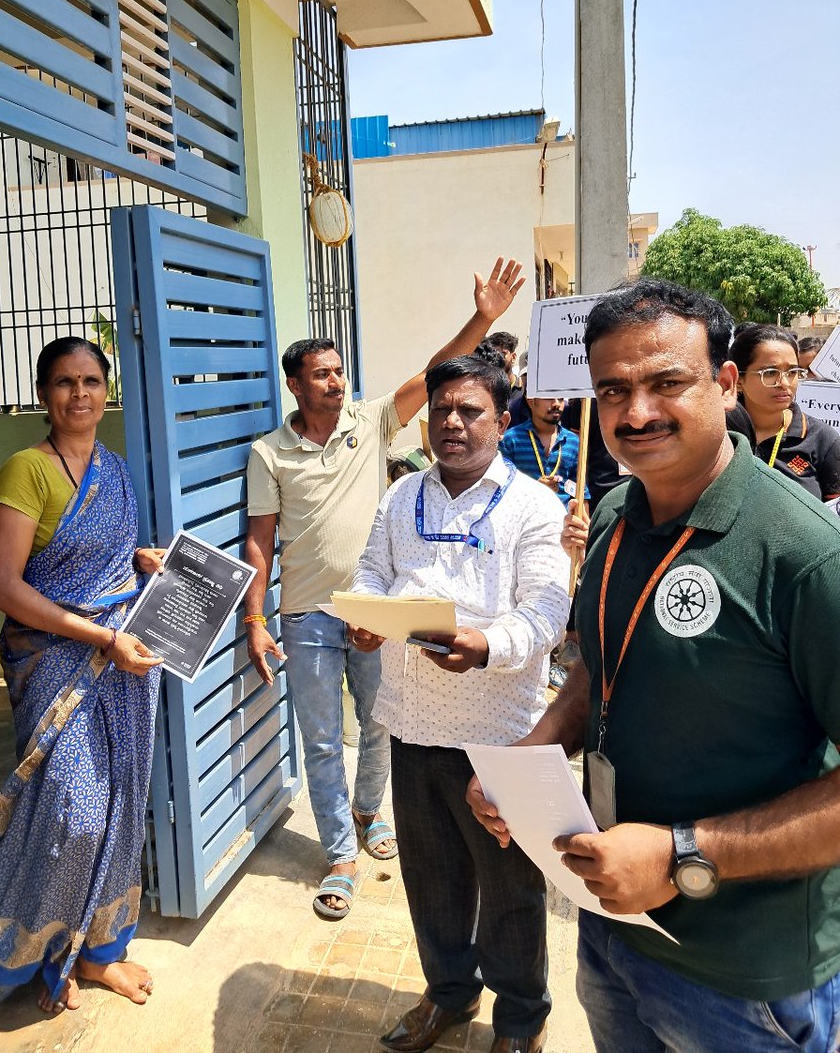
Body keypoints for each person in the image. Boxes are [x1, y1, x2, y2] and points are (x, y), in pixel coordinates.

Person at [467, 279, 840, 1052]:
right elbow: (603, 666)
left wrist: (683, 854)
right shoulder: (612, 513)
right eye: (614, 390)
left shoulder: (804, 555)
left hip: (746, 975)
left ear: (725, 384)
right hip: (615, 927)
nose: (636, 414)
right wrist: (534, 752)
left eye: (667, 383)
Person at [243, 260, 525, 920]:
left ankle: (371, 813)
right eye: (322, 373)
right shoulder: (269, 453)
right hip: (306, 616)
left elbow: (434, 377)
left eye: (339, 370)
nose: (337, 381)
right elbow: (259, 540)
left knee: (378, 725)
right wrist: (254, 619)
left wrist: (483, 318)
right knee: (318, 738)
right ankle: (338, 853)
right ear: (295, 384)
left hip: (375, 613)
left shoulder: (369, 422)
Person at [352, 355, 570, 1053]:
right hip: (412, 727)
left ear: (500, 421)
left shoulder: (535, 505)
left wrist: (485, 643)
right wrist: (366, 614)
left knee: (510, 893)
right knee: (432, 882)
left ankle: (519, 1021)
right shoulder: (401, 496)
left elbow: (547, 614)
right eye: (441, 408)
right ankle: (448, 997)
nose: (450, 420)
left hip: (500, 736)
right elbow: (370, 569)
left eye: (469, 410)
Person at [0, 337, 165, 1013]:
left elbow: (100, 561)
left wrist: (141, 562)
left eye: (90, 381)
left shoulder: (116, 469)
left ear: (105, 390)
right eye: (63, 382)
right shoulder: (26, 469)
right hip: (54, 661)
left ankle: (101, 953)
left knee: (118, 804)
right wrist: (104, 633)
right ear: (45, 394)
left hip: (124, 663)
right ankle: (46, 947)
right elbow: (1, 584)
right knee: (71, 814)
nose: (79, 395)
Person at [728, 324, 840, 501]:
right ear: (738, 379)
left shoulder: (824, 441)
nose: (785, 383)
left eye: (793, 372)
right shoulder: (716, 433)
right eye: (770, 372)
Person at [500, 394, 581, 507]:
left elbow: (581, 493)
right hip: (523, 519)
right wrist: (535, 490)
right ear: (531, 401)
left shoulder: (573, 441)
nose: (557, 404)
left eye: (561, 399)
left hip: (562, 521)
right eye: (549, 397)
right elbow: (499, 487)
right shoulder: (510, 439)